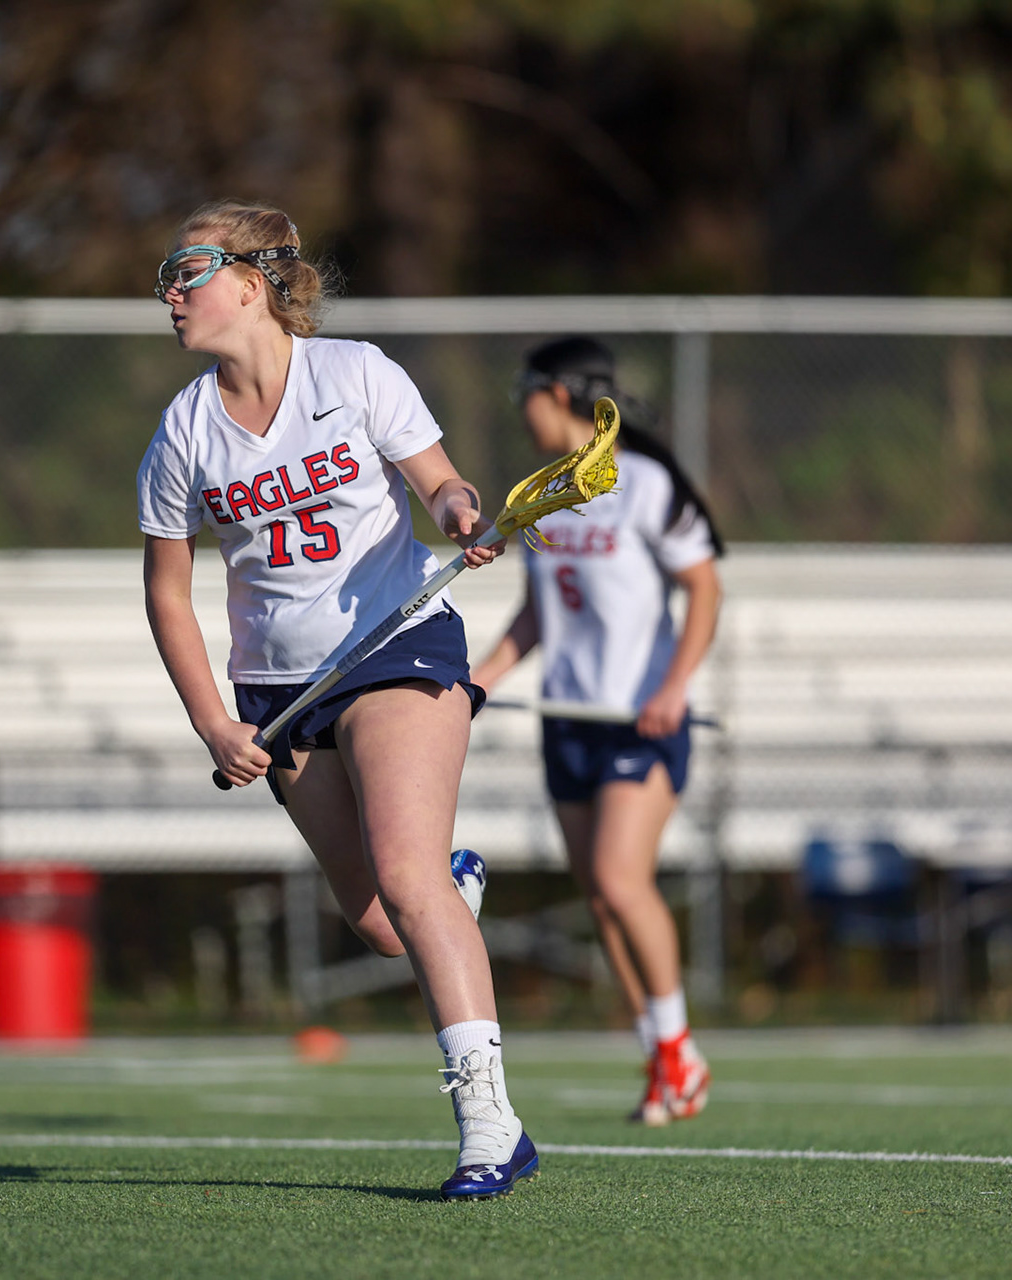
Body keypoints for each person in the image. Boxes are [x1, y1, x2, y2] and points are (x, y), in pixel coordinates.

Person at [137, 200, 534, 1199]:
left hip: (397, 645)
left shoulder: (355, 374)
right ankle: (453, 882)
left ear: (251, 280)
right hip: (278, 690)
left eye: (189, 269)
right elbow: (164, 590)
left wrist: (460, 512)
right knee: (380, 916)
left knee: (404, 873)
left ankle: (490, 1122)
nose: (172, 291)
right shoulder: (183, 431)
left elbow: (440, 483)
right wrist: (212, 720)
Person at [472, 336, 723, 1126]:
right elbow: (541, 612)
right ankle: (662, 1056)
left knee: (621, 879)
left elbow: (704, 590)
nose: (520, 408)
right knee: (601, 899)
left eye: (527, 391)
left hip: (638, 718)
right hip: (568, 717)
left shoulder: (646, 483)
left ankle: (680, 1048)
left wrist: (675, 685)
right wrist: (479, 681)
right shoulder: (542, 493)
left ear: (561, 393)